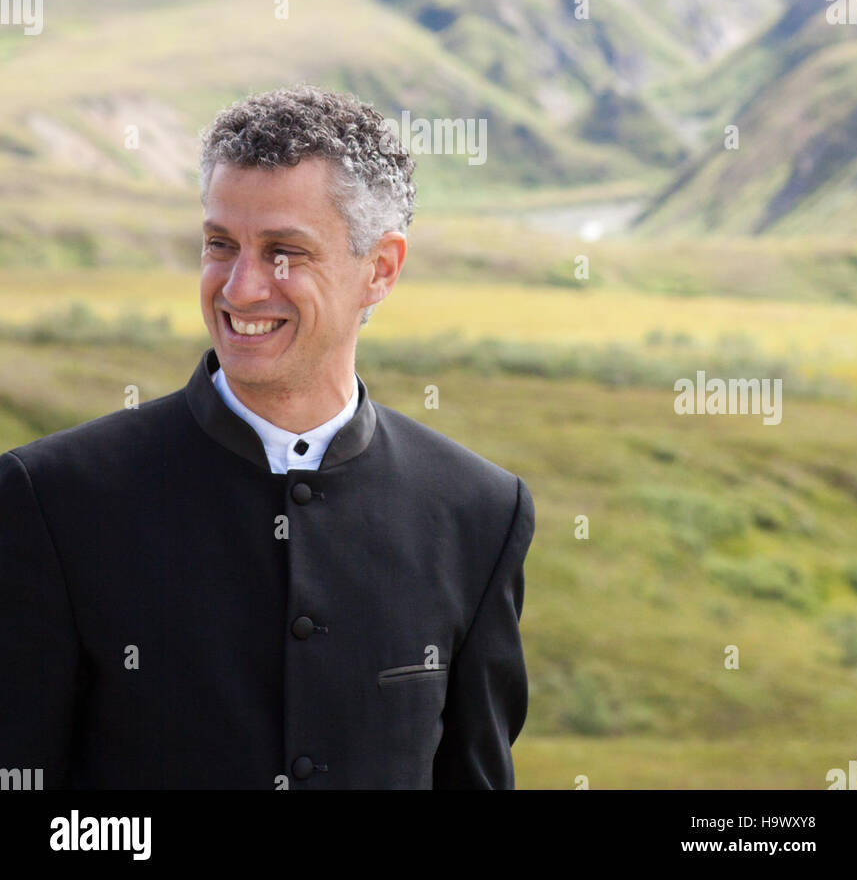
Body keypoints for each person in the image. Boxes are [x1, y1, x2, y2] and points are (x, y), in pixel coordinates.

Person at [0, 85, 535, 790]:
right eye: (220, 245)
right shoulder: (50, 498)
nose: (242, 288)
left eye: (284, 252)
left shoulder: (481, 512)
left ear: (380, 269)